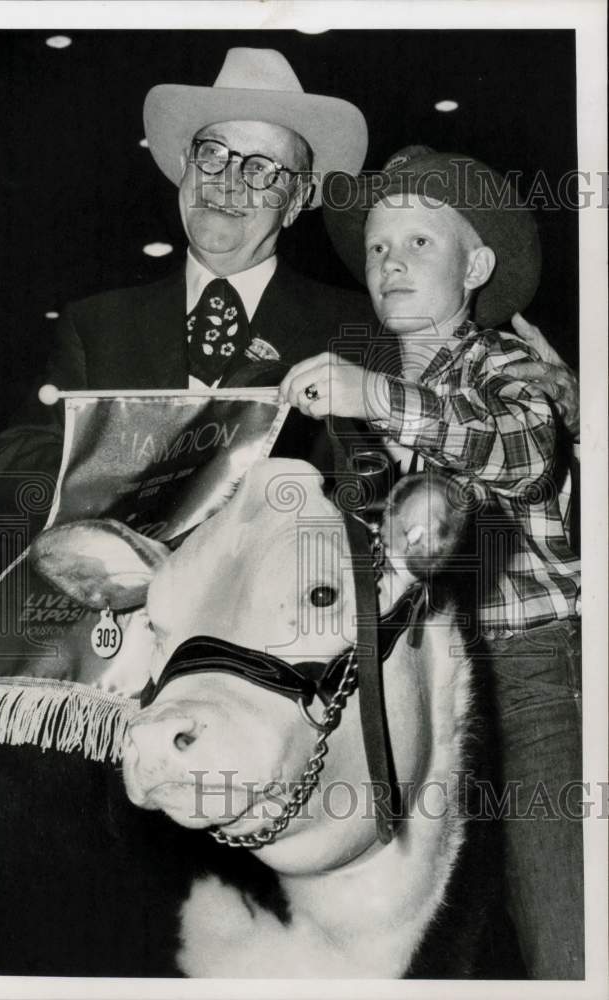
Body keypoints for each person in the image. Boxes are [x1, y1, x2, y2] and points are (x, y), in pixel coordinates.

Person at [279, 146, 583, 979]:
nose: (390, 263)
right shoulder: (354, 397)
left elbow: (524, 453)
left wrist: (374, 397)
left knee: (562, 926)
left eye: (419, 243)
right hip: (404, 680)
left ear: (475, 265)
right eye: (378, 247)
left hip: (527, 678)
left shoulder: (501, 369)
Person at [0, 47, 375, 482]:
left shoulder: (353, 327)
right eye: (212, 153)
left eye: (262, 167)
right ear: (183, 168)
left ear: (296, 202)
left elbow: (382, 485)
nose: (227, 182)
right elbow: (13, 467)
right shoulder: (96, 325)